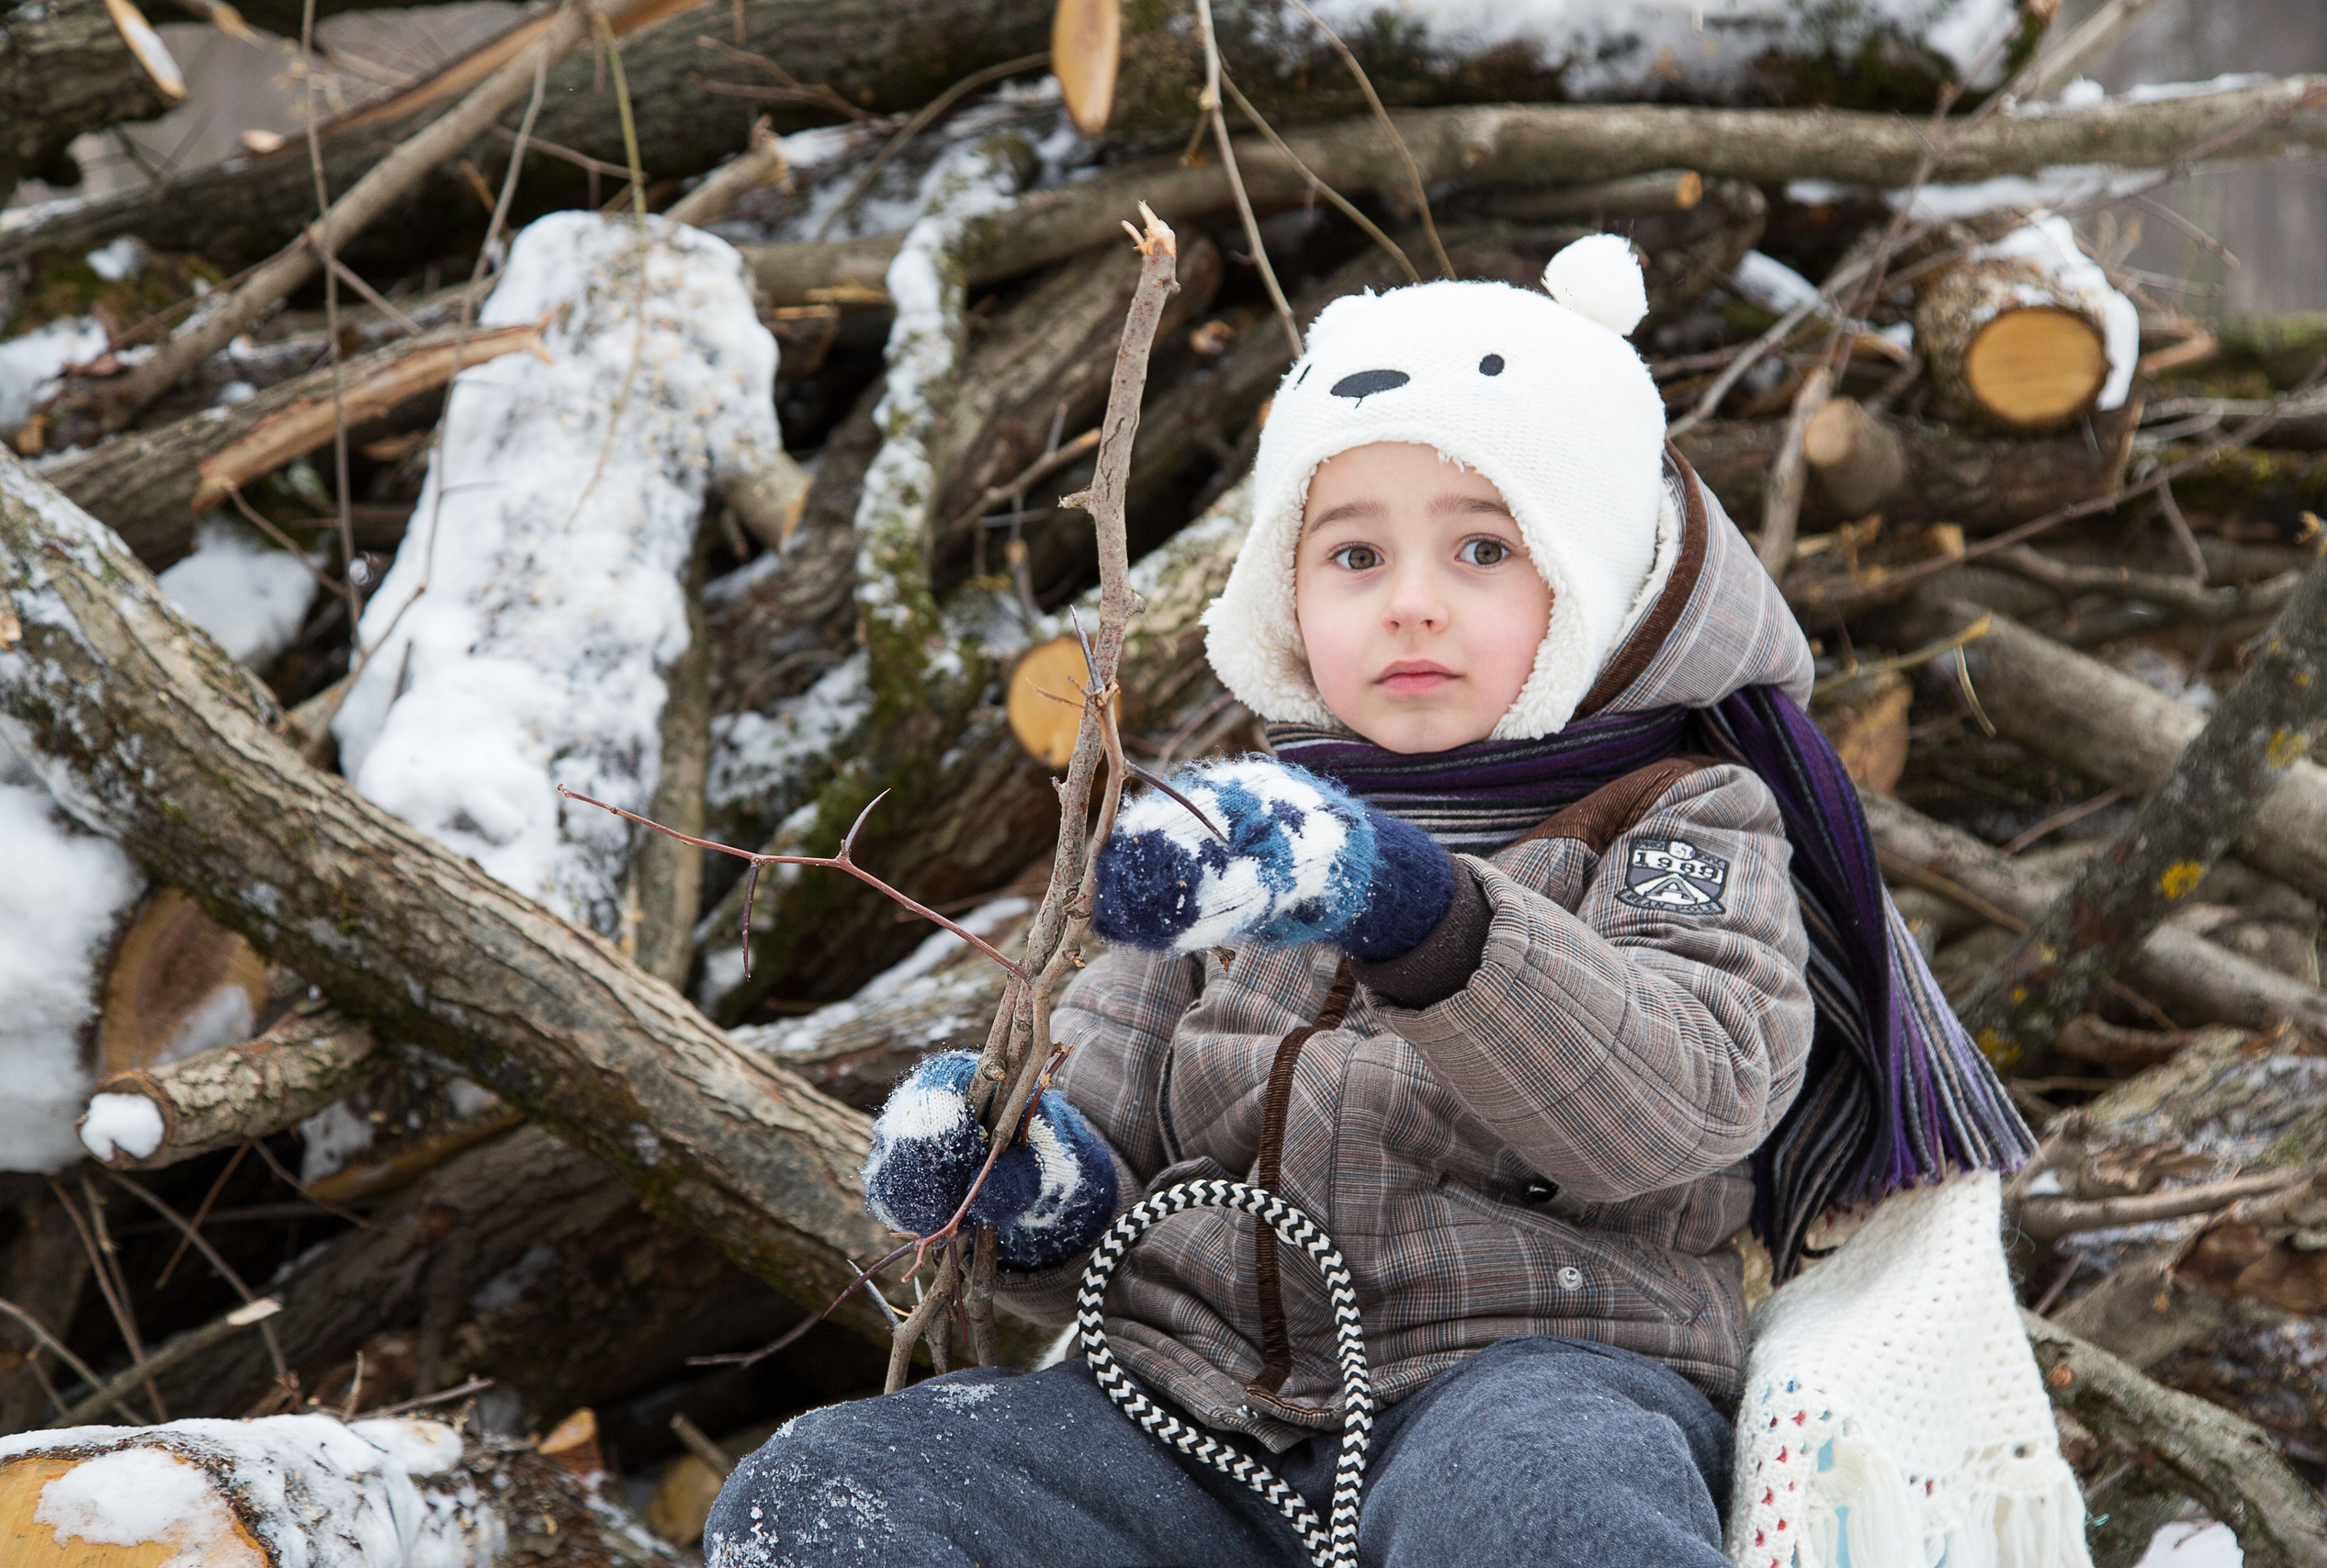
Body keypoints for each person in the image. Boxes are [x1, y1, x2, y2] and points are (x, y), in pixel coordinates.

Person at [706, 237, 2032, 1568]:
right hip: (1187, 1416)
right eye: (1352, 555)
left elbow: (1686, 1098)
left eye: (1479, 549)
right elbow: (1112, 1123)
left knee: (1546, 1514)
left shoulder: (1680, 814)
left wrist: (1406, 907)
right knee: (828, 1494)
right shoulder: (1233, 829)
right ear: (1286, 592)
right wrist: (1028, 1182)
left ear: (1602, 578)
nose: (1410, 604)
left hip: (1530, 1380)